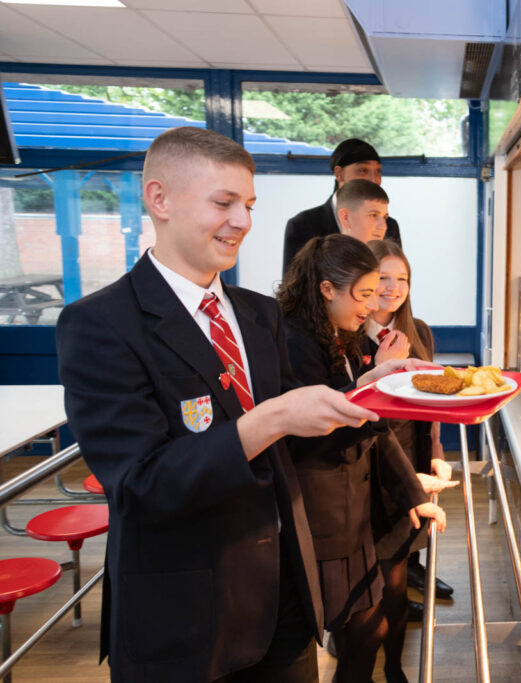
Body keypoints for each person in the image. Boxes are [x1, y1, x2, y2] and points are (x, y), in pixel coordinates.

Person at [55, 126, 381, 683]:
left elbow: (295, 437)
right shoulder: (102, 325)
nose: (243, 223)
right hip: (185, 620)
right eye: (223, 203)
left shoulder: (259, 314)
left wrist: (379, 388)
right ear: (159, 200)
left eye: (249, 205)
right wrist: (269, 419)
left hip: (283, 601)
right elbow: (140, 485)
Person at [278, 234, 453, 683]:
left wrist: (415, 487)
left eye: (393, 285)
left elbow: (379, 424)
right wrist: (377, 380)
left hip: (357, 505)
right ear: (326, 289)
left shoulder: (346, 334)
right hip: (327, 511)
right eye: (366, 293)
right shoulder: (300, 341)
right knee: (350, 630)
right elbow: (324, 427)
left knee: (369, 623)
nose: (374, 303)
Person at [363, 239, 454, 683]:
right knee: (366, 600)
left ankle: (396, 667)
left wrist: (437, 455)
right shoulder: (345, 337)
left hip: (412, 473)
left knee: (397, 587)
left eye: (402, 279)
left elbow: (431, 407)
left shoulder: (419, 332)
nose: (392, 287)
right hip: (367, 477)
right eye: (382, 277)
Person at [282, 138, 401, 275]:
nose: (374, 179)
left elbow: (397, 279)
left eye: (378, 171)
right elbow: (292, 287)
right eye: (363, 170)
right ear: (339, 173)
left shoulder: (389, 226)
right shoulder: (303, 224)